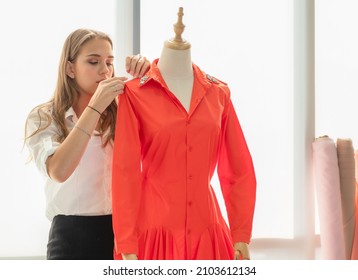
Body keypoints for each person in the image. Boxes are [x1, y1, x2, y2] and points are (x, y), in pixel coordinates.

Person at [111, 8, 256, 260]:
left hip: (208, 233)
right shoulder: (134, 94)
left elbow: (238, 169)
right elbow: (125, 172)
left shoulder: (219, 93)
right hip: (154, 234)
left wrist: (241, 234)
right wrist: (126, 244)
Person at [24, 28, 150, 260]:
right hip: (71, 237)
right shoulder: (45, 117)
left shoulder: (124, 114)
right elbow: (59, 171)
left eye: (110, 62)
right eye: (93, 61)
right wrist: (95, 108)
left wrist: (148, 77)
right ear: (70, 68)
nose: (105, 70)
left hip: (123, 233)